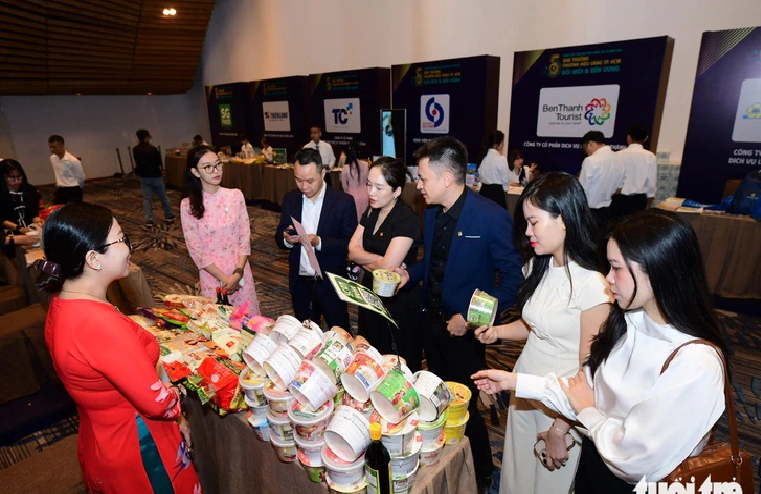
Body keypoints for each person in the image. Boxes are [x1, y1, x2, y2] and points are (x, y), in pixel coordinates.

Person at [472, 209, 727, 493]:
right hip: (596, 463)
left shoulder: (695, 362)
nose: (607, 278)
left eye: (617, 268)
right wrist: (514, 381)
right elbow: (582, 389)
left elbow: (632, 458)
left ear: (658, 270)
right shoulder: (628, 323)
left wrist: (588, 412)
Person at [35, 202, 201, 493]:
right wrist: (178, 397)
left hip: (102, 436)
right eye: (121, 239)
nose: (128, 247)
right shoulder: (98, 325)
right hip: (140, 446)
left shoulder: (63, 303)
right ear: (93, 259)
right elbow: (156, 402)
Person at [391, 136, 523, 494]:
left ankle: (480, 476)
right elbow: (432, 263)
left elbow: (512, 281)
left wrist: (470, 317)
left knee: (465, 410)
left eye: (422, 178)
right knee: (434, 403)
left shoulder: (492, 217)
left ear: (446, 178)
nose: (417, 186)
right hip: (428, 324)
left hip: (464, 336)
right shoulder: (432, 211)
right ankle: (444, 467)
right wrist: (409, 274)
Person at [473, 172, 612, 494]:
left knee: (546, 484)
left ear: (563, 219)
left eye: (533, 222)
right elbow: (538, 326)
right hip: (525, 390)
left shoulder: (593, 284)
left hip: (561, 405)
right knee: (517, 477)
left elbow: (590, 372)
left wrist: (561, 427)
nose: (527, 232)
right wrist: (498, 333)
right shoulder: (541, 265)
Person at [348, 157, 422, 371]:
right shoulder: (371, 211)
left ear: (397, 191)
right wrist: (378, 261)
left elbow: (389, 266)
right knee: (370, 360)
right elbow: (351, 250)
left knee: (396, 366)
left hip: (397, 305)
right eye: (369, 185)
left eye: (379, 187)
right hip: (370, 298)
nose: (371, 192)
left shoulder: (406, 219)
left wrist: (368, 258)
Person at [275, 148, 357, 329]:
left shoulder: (343, 202)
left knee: (340, 334)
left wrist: (318, 242)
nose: (304, 187)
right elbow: (279, 235)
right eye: (298, 179)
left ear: (323, 173)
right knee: (305, 337)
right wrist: (287, 239)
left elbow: (350, 246)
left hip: (330, 283)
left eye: (310, 181)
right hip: (301, 284)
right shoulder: (291, 199)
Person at [180, 146, 260, 312]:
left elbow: (244, 237)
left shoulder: (235, 196)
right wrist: (225, 279)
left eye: (218, 164)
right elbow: (196, 250)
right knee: (221, 327)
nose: (215, 171)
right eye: (207, 167)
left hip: (240, 270)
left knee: (249, 324)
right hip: (213, 276)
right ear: (195, 172)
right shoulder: (188, 205)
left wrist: (237, 273)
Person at [578, 131, 624, 232]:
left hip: (588, 212)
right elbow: (619, 188)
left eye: (585, 148)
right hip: (606, 212)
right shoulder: (619, 159)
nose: (586, 152)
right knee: (601, 242)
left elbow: (581, 190)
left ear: (590, 143)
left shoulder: (591, 160)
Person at [612, 123, 657, 217]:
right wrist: (649, 203)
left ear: (628, 137)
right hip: (639, 200)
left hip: (619, 199)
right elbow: (651, 185)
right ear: (646, 138)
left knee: (617, 227)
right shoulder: (650, 156)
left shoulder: (617, 155)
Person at [132, 129, 175, 227]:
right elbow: (158, 162)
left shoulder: (135, 149)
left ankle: (149, 220)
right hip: (156, 176)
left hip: (144, 176)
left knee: (147, 199)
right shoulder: (153, 149)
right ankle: (168, 216)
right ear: (146, 137)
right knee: (164, 197)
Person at [48, 135, 85, 204]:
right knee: (57, 211)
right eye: (50, 147)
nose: (52, 150)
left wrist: (77, 189)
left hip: (73, 189)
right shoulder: (53, 158)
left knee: (72, 212)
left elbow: (81, 178)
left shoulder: (73, 160)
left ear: (62, 146)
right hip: (61, 189)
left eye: (55, 147)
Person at [478, 131, 510, 208]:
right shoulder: (501, 159)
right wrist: (505, 190)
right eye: (502, 142)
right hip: (496, 193)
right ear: (497, 144)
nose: (503, 144)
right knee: (497, 217)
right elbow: (505, 179)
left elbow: (480, 175)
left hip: (483, 191)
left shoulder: (482, 157)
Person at [341, 140, 369, 222]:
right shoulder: (365, 164)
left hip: (351, 195)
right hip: (365, 194)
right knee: (364, 220)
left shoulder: (346, 167)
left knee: (353, 221)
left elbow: (344, 186)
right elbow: (368, 180)